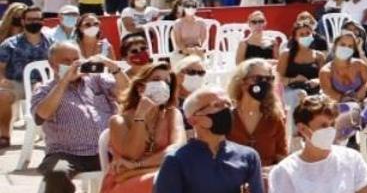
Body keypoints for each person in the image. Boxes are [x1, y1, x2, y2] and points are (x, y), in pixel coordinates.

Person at [32, 42, 128, 193]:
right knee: (56, 174)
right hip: (66, 153)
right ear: (52, 64)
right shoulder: (44, 89)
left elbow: (127, 93)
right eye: (66, 61)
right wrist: (64, 81)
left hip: (107, 150)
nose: (73, 65)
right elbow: (41, 115)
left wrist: (112, 66)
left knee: (141, 164)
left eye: (76, 59)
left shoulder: (96, 79)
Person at [154, 87, 264, 193]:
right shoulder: (176, 160)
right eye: (216, 105)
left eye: (228, 104)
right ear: (193, 119)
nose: (226, 109)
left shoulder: (249, 157)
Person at [102, 61, 184, 193]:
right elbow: (133, 155)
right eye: (156, 79)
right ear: (140, 88)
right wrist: (140, 115)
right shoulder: (118, 120)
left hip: (151, 174)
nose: (163, 85)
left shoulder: (172, 114)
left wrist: (137, 166)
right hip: (125, 183)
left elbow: (176, 151)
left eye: (167, 82)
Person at [269, 95, 367, 193]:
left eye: (332, 124)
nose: (330, 130)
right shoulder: (285, 172)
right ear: (302, 129)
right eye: (323, 125)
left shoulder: (352, 159)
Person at [0, 5, 51, 147]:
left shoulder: (51, 42)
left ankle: (54, 136)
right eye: (30, 19)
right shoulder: (10, 44)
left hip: (43, 84)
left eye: (38, 19)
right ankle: (4, 135)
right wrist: (2, 79)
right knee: (2, 96)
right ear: (23, 21)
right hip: (16, 83)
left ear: (43, 21)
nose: (34, 22)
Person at [227, 58, 288, 167]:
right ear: (242, 82)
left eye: (269, 79)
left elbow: (282, 159)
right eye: (257, 78)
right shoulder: (226, 116)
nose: (263, 83)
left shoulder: (274, 118)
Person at [278, 20, 326, 118]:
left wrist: (317, 81)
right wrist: (294, 80)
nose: (305, 36)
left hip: (313, 91)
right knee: (300, 94)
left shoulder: (319, 56)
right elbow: (278, 79)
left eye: (308, 33)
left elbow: (324, 78)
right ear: (295, 37)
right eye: (302, 34)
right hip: (290, 90)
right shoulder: (286, 55)